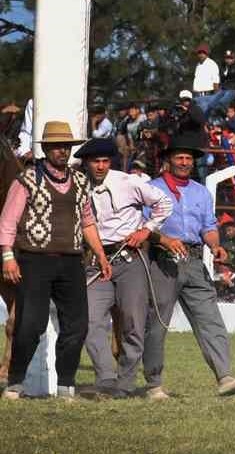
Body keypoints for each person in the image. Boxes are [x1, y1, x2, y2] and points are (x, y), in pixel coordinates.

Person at [1, 122, 112, 400]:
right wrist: (7, 257)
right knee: (30, 324)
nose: (62, 151)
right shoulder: (27, 179)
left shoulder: (81, 181)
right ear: (46, 148)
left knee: (77, 325)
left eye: (66, 146)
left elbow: (87, 221)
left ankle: (66, 384)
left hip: (72, 262)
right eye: (57, 146)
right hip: (34, 261)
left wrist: (99, 253)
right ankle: (15, 380)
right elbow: (7, 221)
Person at [141, 129, 235, 399]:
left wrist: (215, 246)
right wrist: (165, 240)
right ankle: (153, 384)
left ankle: (225, 377)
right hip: (161, 261)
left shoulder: (201, 192)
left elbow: (209, 227)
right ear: (168, 160)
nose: (184, 162)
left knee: (210, 318)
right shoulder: (151, 189)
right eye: (179, 157)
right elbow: (143, 227)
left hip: (193, 261)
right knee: (157, 323)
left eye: (188, 159)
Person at [77, 137, 174, 399]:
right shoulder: (78, 185)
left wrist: (146, 230)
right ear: (86, 162)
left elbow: (164, 203)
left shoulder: (129, 182)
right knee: (89, 318)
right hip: (97, 261)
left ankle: (126, 382)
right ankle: (107, 378)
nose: (100, 166)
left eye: (105, 161)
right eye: (95, 161)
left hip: (130, 258)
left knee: (133, 321)